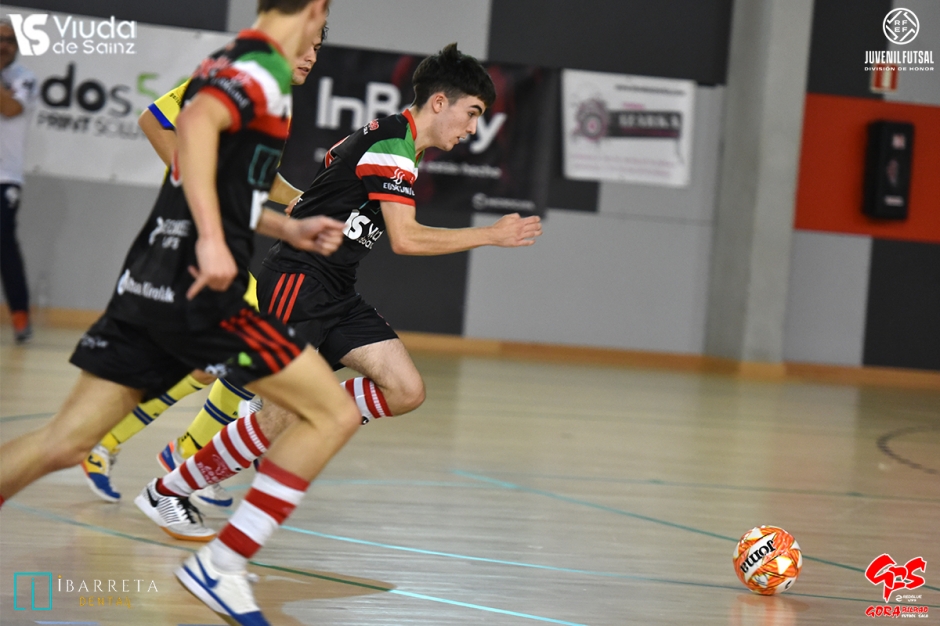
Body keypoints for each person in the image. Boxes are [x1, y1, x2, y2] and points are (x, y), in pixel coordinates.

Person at [0, 2, 362, 624]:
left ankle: (195, 516)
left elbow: (224, 182)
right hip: (201, 292)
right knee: (332, 411)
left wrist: (286, 227)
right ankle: (220, 565)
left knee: (65, 442)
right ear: (310, 11)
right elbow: (192, 127)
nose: (316, 43)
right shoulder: (259, 71)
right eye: (319, 25)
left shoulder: (231, 63)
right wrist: (214, 240)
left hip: (152, 280)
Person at [136, 42, 543, 541]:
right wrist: (490, 234)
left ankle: (279, 405)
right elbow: (406, 239)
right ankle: (168, 490)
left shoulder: (395, 141)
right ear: (440, 102)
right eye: (473, 113)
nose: (473, 129)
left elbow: (334, 168)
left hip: (335, 288)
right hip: (298, 281)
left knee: (405, 389)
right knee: (284, 413)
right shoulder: (392, 144)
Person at [81, 30, 327, 507]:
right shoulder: (242, 75)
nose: (312, 55)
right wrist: (196, 184)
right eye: (307, 43)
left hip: (217, 245)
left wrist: (298, 199)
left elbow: (253, 179)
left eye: (319, 47)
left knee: (203, 367)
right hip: (192, 239)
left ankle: (124, 446)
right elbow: (154, 120)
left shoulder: (279, 100)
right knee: (250, 340)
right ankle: (181, 450)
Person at [0, 17, 38, 343]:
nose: (3, 45)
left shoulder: (24, 78)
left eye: (10, 40)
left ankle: (20, 315)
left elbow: (10, 108)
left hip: (5, 177)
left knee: (4, 245)